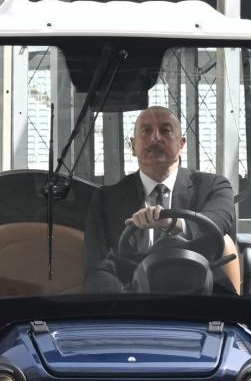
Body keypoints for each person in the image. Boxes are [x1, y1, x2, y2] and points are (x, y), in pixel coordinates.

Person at [83, 104, 236, 292]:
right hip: (134, 305)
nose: (155, 138)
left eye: (165, 130)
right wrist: (123, 306)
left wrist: (173, 223)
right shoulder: (106, 199)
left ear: (182, 144)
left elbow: (218, 221)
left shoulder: (213, 186)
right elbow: (97, 268)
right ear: (132, 146)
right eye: (146, 131)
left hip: (202, 300)